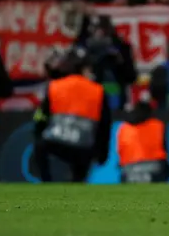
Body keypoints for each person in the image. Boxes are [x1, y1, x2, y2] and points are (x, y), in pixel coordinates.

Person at [34, 47, 111, 182]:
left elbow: (40, 117)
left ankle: (46, 183)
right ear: (85, 69)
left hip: (56, 141)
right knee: (79, 175)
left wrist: (38, 134)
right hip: (84, 147)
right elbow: (104, 126)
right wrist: (102, 154)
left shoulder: (54, 86)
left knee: (40, 147)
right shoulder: (98, 90)